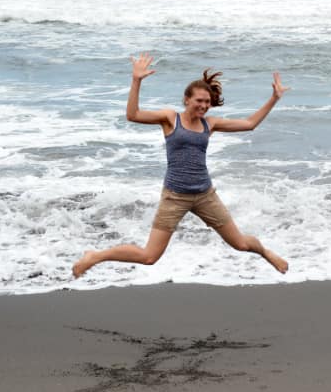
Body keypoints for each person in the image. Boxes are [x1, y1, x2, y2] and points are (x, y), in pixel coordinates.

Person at [73, 54, 289, 278]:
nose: (204, 106)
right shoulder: (170, 118)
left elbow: (250, 124)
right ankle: (95, 256)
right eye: (199, 101)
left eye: (207, 102)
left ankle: (266, 253)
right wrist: (136, 80)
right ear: (187, 100)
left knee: (241, 244)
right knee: (149, 257)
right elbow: (133, 115)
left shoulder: (210, 123)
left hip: (205, 195)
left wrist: (274, 98)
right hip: (175, 196)